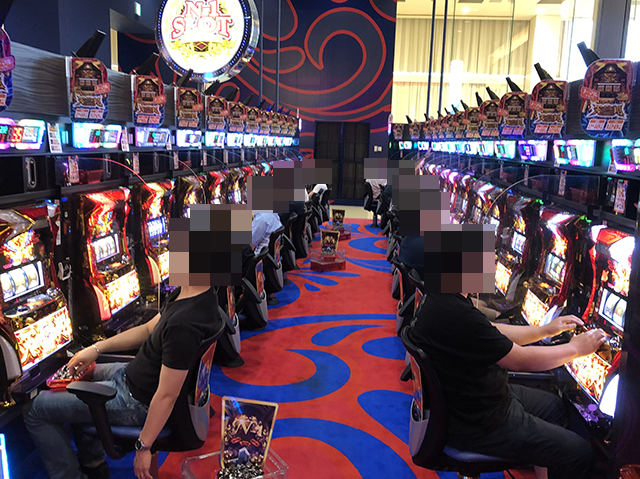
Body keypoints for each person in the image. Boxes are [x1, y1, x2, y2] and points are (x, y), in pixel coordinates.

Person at [23, 285, 223, 479]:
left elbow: (167, 395)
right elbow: (147, 329)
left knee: (35, 409)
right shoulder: (193, 293)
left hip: (136, 401)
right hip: (131, 374)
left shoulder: (183, 324)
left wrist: (143, 446)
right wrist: (96, 348)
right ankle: (95, 466)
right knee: (74, 379)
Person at [409, 292, 606, 479]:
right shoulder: (456, 313)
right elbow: (520, 360)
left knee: (554, 407)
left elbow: (493, 330)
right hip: (480, 423)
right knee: (579, 453)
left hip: (472, 400)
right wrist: (574, 349)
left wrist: (545, 330)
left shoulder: (444, 298)